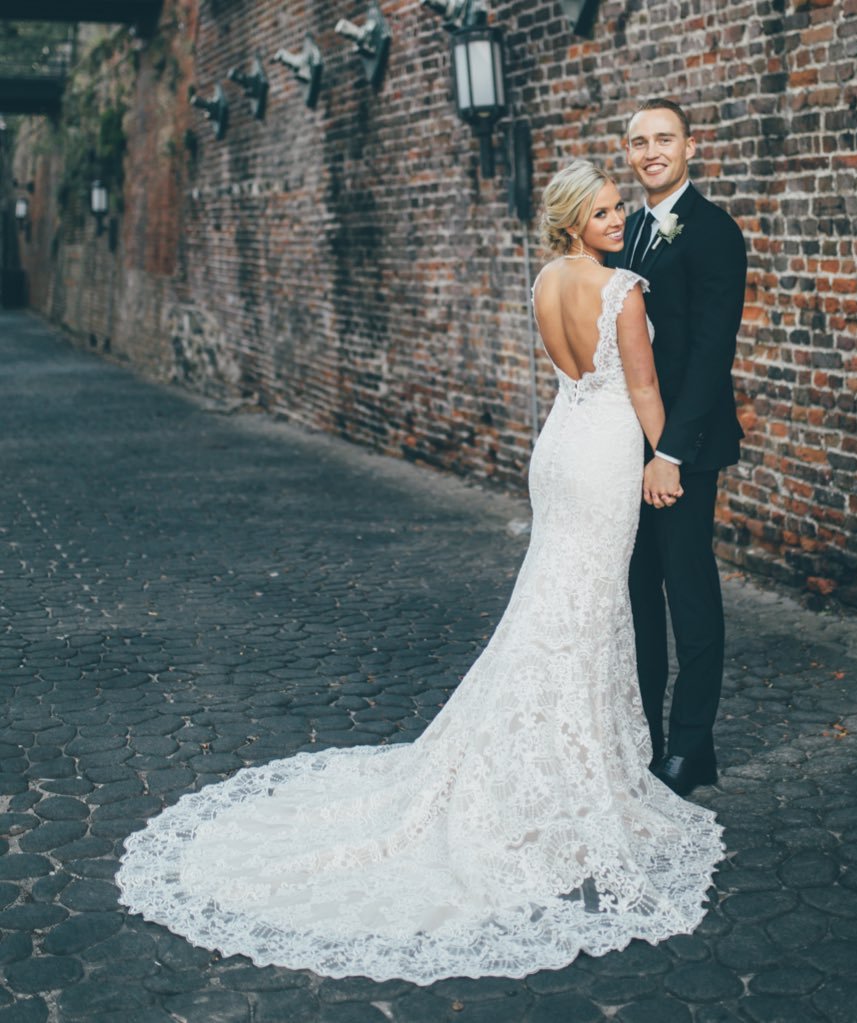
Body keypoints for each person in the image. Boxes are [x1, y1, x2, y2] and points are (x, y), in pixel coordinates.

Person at [116, 160, 724, 986]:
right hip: (609, 456)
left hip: (558, 453)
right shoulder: (621, 289)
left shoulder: (545, 280)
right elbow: (644, 386)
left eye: (619, 207)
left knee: (556, 603)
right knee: (583, 609)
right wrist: (668, 458)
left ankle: (564, 757)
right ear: (574, 219)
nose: (618, 219)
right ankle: (570, 776)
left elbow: (570, 374)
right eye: (604, 210)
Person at [610, 99, 748, 798]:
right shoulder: (628, 228)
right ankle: (647, 737)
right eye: (638, 141)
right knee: (637, 592)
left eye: (663, 138)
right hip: (624, 447)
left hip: (680, 449)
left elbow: (707, 356)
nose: (650, 150)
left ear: (691, 146)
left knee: (687, 593)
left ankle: (691, 748)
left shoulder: (715, 232)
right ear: (628, 153)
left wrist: (668, 451)